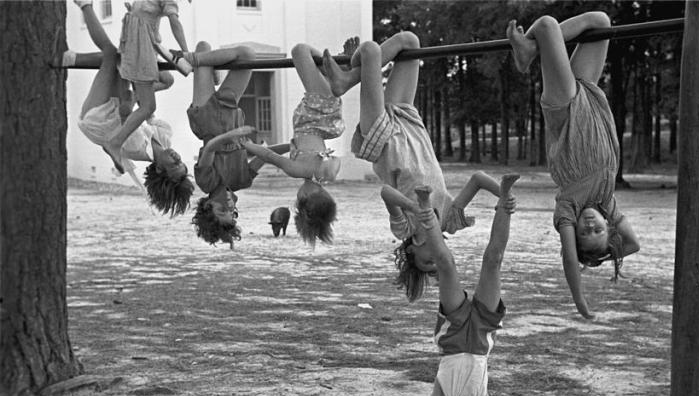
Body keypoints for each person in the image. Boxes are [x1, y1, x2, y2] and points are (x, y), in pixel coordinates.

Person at [322, 32, 503, 301]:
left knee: (371, 51)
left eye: (429, 263)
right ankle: (349, 76)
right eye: (440, 263)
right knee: (410, 41)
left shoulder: (404, 229)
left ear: (412, 250)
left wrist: (417, 209)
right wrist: (505, 194)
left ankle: (349, 75)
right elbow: (477, 179)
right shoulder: (448, 222)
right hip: (410, 126)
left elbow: (386, 193)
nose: (438, 260)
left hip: (382, 138)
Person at [507, 12, 640, 319]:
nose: (591, 225)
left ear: (574, 232)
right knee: (602, 22)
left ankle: (529, 50)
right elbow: (632, 244)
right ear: (609, 226)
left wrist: (580, 299)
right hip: (590, 102)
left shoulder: (567, 209)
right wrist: (600, 258)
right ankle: (531, 49)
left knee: (546, 26)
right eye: (599, 230)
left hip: (566, 112)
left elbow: (569, 258)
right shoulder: (607, 203)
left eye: (585, 233)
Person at [411, 174, 519, 396]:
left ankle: (424, 207)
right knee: (493, 260)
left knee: (445, 264)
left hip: (454, 333)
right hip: (484, 330)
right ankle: (505, 199)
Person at [69, 0, 193, 217]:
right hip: (117, 109)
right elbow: (146, 114)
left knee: (111, 54)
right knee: (159, 77)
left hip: (100, 118)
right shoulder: (164, 139)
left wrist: (135, 99)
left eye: (174, 164)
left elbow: (128, 111)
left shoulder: (137, 148)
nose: (176, 157)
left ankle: (84, 4)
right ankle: (72, 57)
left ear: (160, 169)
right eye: (180, 161)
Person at [242, 41, 358, 247]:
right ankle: (339, 72)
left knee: (314, 68)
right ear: (304, 197)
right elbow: (268, 156)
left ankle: (334, 70)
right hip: (317, 109)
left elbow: (335, 160)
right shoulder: (297, 170)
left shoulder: (329, 173)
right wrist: (247, 145)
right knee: (299, 51)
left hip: (326, 115)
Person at [179, 42, 292, 247]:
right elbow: (264, 155)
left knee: (203, 51)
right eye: (231, 212)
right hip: (230, 111)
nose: (228, 206)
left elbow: (211, 147)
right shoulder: (242, 181)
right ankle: (206, 68)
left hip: (207, 117)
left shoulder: (207, 182)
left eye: (222, 210)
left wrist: (235, 134)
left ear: (208, 207)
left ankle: (192, 61)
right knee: (245, 54)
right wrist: (291, 146)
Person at [101, 0, 191, 175]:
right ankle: (115, 143)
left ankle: (138, 94)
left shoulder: (150, 144)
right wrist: (186, 52)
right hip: (140, 46)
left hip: (141, 43)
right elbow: (175, 23)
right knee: (148, 106)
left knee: (166, 80)